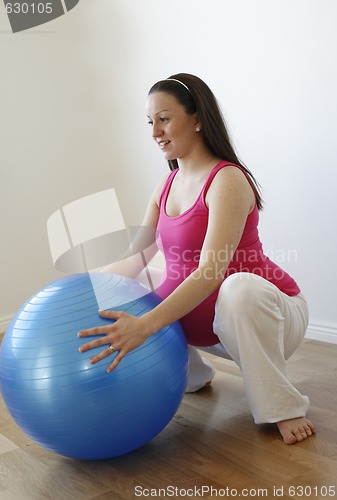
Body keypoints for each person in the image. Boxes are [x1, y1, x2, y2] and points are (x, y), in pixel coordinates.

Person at [78, 73, 316, 445]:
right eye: (150, 122)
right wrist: (79, 290)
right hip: (209, 331)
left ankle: (282, 406)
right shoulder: (166, 184)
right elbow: (135, 258)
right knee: (129, 283)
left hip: (269, 317)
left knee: (236, 288)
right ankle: (192, 373)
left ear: (197, 119)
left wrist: (145, 326)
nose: (155, 131)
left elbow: (210, 272)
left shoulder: (228, 180)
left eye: (165, 118)